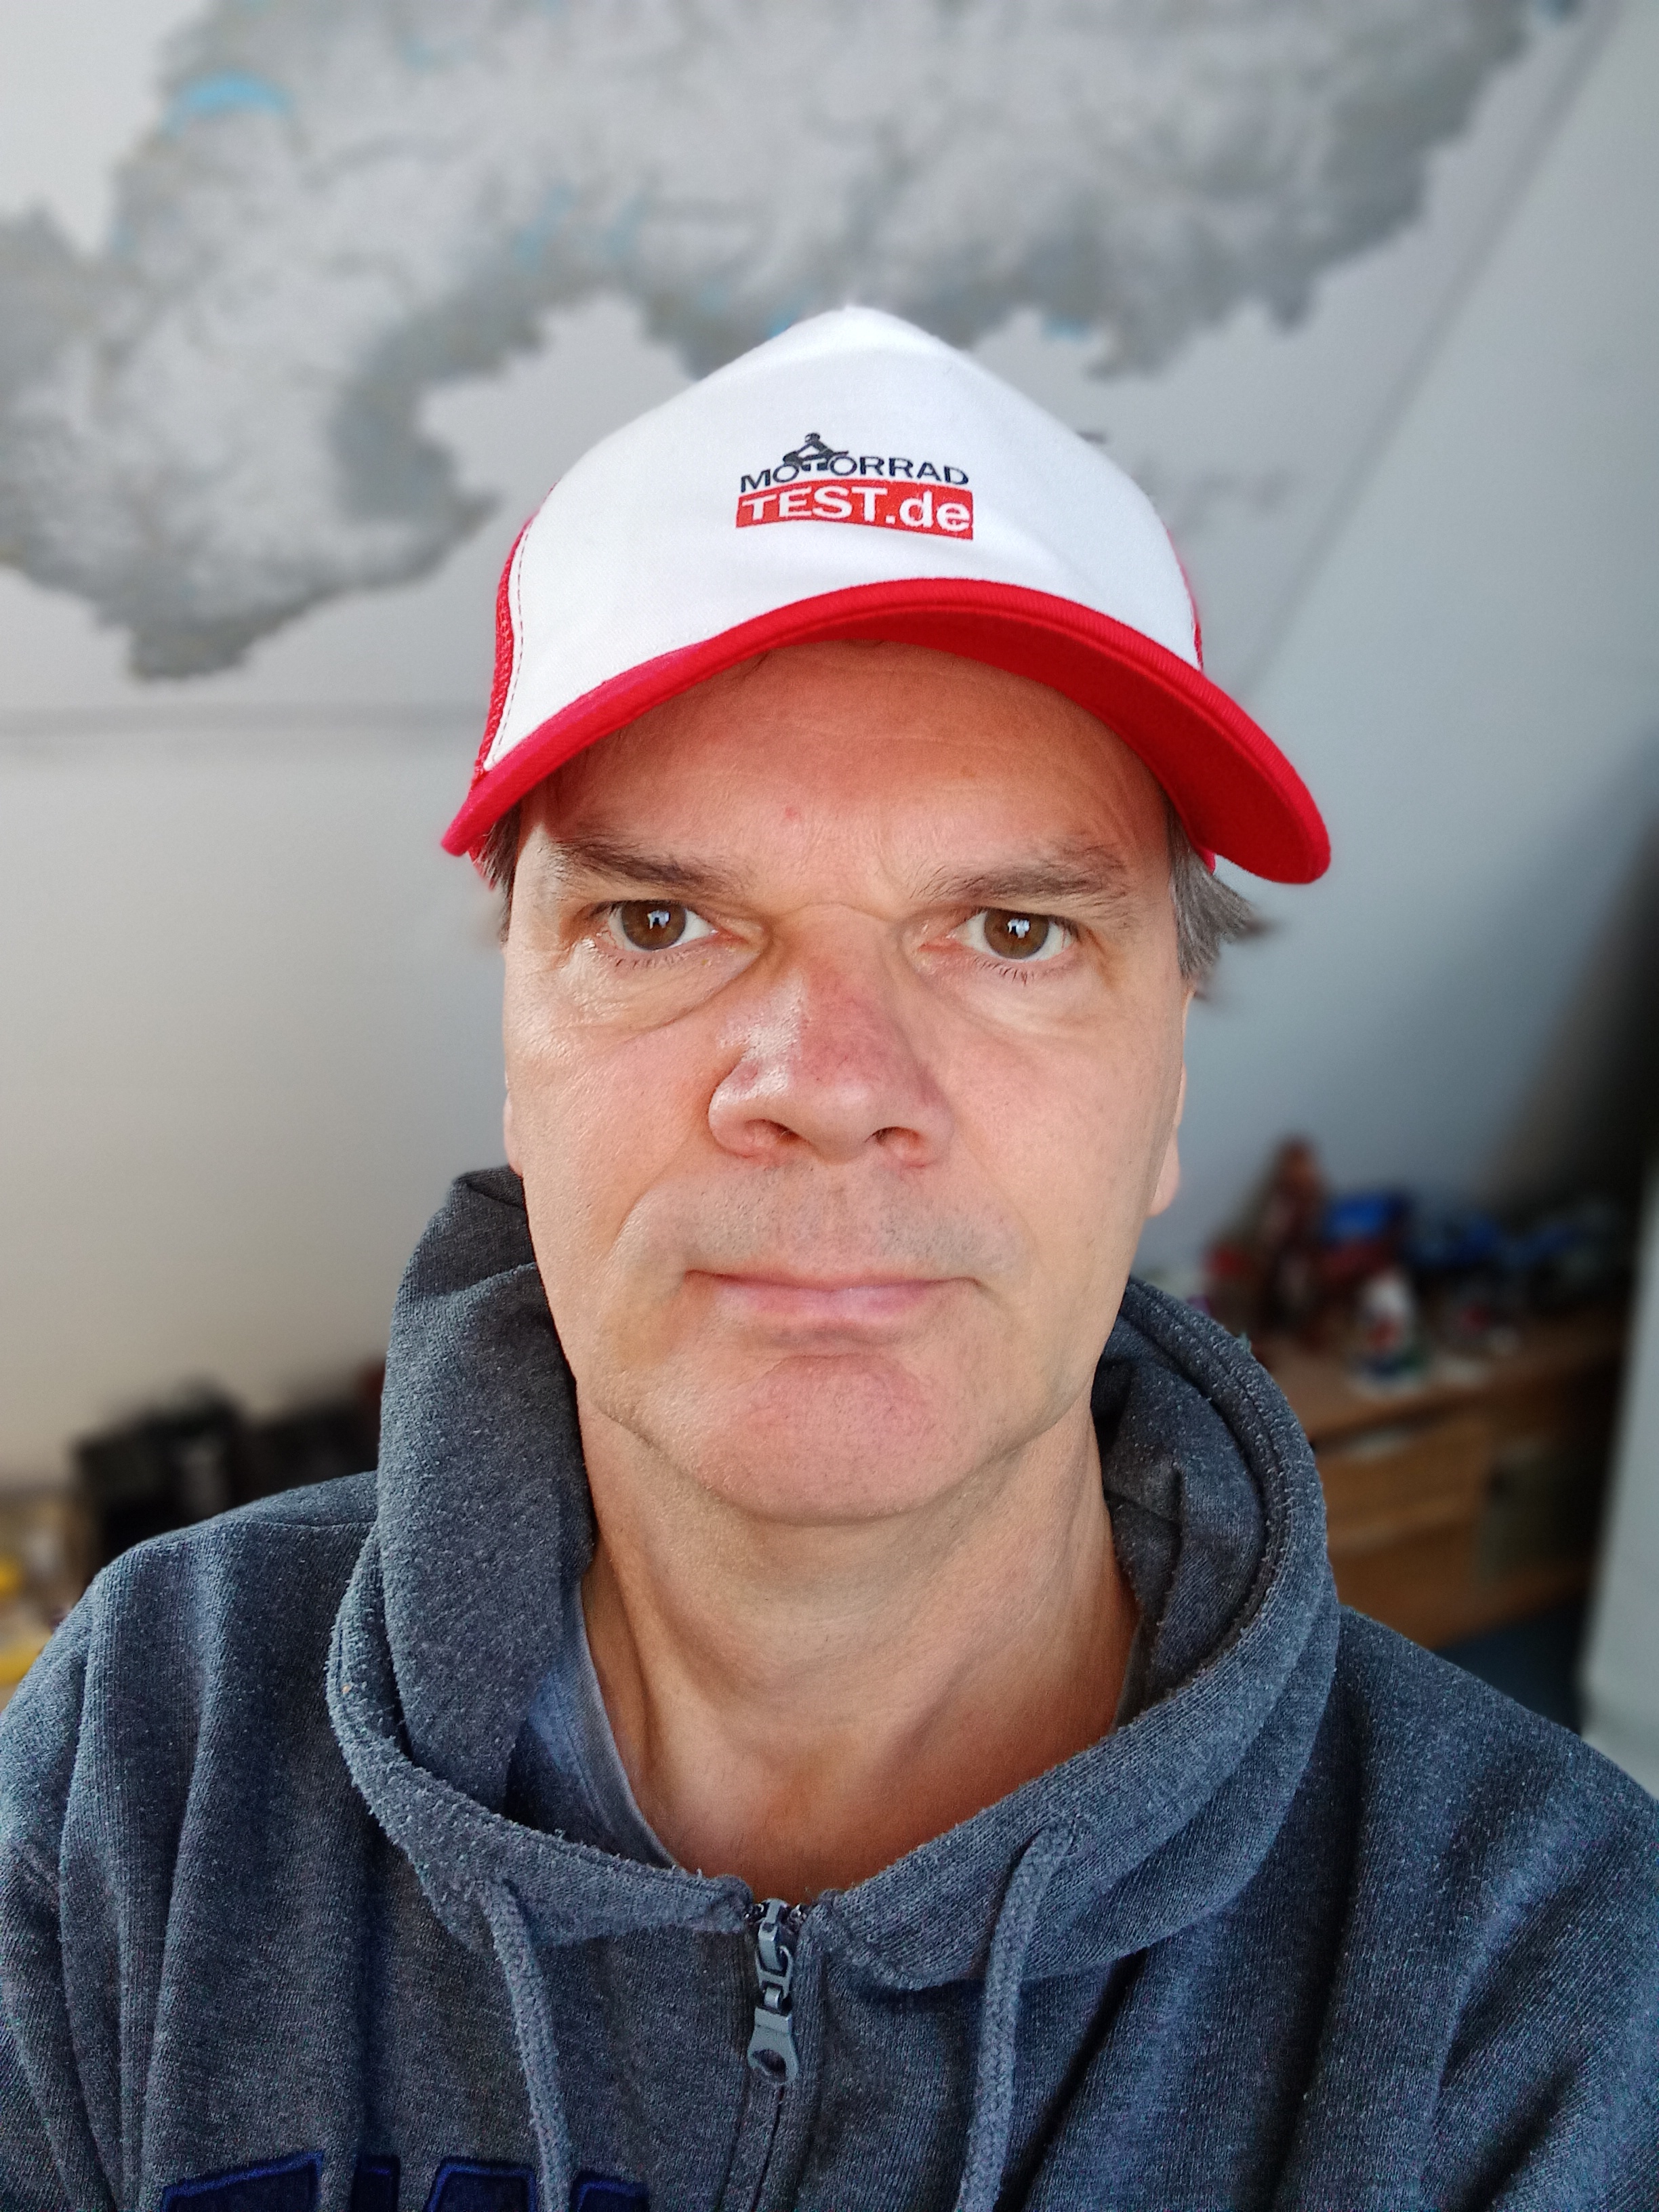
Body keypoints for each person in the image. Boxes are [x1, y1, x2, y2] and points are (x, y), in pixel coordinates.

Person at [0, 309, 1652, 2212]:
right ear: (517, 1057)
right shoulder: (148, 1751)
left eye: (1014, 933)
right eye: (660, 921)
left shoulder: (1550, 1981)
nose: (831, 1086)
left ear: (1169, 1086)